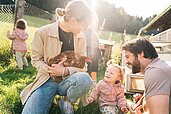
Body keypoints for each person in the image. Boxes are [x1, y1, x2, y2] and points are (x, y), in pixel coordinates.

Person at [20, 0, 97, 114]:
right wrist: (50, 70)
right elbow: (36, 60)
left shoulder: (81, 37)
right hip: (47, 79)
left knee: (85, 79)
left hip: (70, 80)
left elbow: (83, 67)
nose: (85, 29)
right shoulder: (43, 32)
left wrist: (65, 71)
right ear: (73, 20)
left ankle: (67, 101)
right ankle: (42, 95)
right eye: (84, 25)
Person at [122, 38, 171, 114]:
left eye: (127, 57)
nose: (126, 62)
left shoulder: (154, 72)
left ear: (141, 54)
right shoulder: (159, 67)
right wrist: (144, 100)